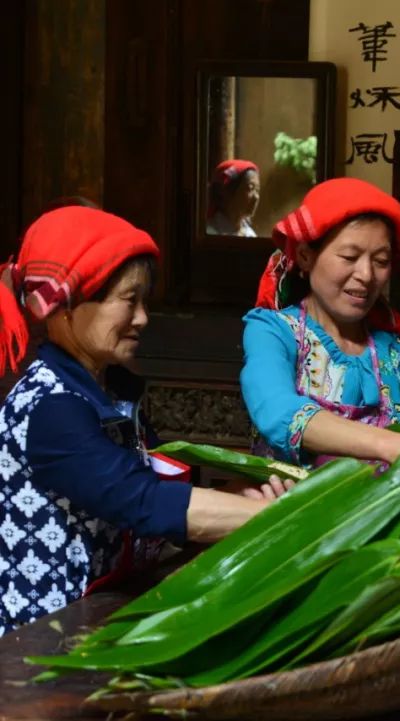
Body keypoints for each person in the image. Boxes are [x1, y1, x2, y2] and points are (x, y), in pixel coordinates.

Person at [0, 207, 290, 636]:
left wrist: (238, 495)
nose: (142, 318)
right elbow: (143, 503)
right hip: (36, 644)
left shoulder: (109, 390)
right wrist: (277, 516)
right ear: (66, 307)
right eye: (127, 301)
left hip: (95, 617)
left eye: (144, 301)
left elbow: (162, 489)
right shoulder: (51, 407)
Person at [240, 178, 400, 474]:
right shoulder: (273, 331)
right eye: (349, 257)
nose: (366, 275)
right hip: (292, 510)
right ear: (305, 255)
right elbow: (277, 411)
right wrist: (389, 444)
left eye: (381, 260)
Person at [207, 159, 260, 237]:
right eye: (250, 188)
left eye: (257, 190)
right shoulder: (210, 233)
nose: (256, 197)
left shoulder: (250, 234)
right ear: (227, 192)